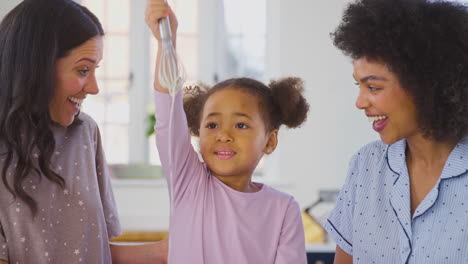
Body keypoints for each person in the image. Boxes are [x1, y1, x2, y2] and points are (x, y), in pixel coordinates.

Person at [0, 0, 167, 263]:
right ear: (36, 67)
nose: (94, 88)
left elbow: (95, 250)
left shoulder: (85, 133)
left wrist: (161, 252)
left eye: (94, 71)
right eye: (82, 70)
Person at [145, 0, 309, 263]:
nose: (223, 135)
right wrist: (167, 44)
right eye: (212, 125)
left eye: (241, 125)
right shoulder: (188, 181)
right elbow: (167, 119)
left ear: (270, 140)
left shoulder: (283, 209)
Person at [323, 0, 468, 263]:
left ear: (426, 86)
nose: (360, 102)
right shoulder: (366, 165)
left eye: (374, 87)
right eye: (359, 85)